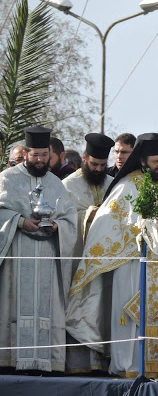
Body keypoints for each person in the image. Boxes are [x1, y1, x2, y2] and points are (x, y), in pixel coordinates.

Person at [66, 133, 158, 377]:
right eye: (155, 161)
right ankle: (131, 365)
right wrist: (139, 227)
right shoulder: (127, 186)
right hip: (133, 262)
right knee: (133, 315)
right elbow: (106, 227)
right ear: (144, 161)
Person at [0, 126, 77, 372]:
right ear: (26, 154)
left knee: (47, 310)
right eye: (36, 155)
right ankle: (9, 361)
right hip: (16, 255)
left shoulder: (56, 183)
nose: (41, 160)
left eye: (45, 155)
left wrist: (57, 226)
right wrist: (21, 222)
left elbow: (70, 218)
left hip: (46, 257)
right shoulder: (7, 178)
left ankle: (45, 363)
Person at [62, 133, 114, 373]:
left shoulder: (111, 184)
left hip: (103, 262)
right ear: (84, 158)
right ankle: (78, 364)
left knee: (101, 308)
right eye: (94, 164)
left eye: (103, 165)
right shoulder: (68, 185)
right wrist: (89, 215)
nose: (99, 169)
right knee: (80, 308)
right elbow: (63, 220)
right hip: (77, 259)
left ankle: (101, 362)